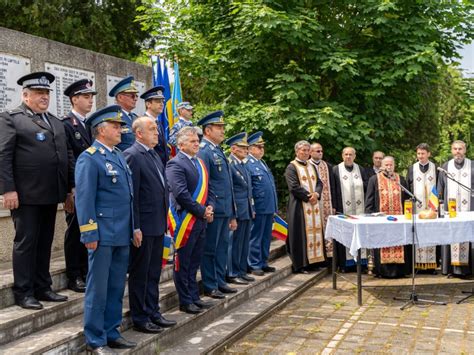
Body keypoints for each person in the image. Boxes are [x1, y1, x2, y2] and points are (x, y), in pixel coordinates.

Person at [0, 72, 73, 310]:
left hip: (52, 193)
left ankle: (43, 286)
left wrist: (70, 188)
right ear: (25, 95)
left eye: (46, 93)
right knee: (26, 242)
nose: (44, 97)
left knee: (45, 242)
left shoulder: (55, 121)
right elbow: (3, 156)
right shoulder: (11, 119)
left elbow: (66, 155)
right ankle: (24, 291)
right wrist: (8, 190)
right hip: (27, 195)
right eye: (39, 93)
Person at [75, 105, 136, 353]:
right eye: (115, 126)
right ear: (101, 130)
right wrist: (89, 232)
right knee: (98, 289)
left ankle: (112, 331)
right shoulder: (89, 158)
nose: (120, 130)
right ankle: (95, 339)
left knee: (115, 286)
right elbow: (85, 199)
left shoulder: (118, 155)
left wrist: (135, 228)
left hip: (121, 232)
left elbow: (128, 196)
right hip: (102, 234)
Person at [123, 116, 176, 333]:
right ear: (139, 133)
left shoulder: (153, 154)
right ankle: (140, 317)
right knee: (141, 274)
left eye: (156, 129)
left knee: (154, 272)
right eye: (152, 129)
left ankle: (153, 311)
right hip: (143, 227)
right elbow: (132, 195)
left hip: (157, 224)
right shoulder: (133, 155)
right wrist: (135, 226)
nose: (157, 132)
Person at [166, 126, 215, 313]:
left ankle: (195, 296)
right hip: (185, 220)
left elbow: (209, 190)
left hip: (201, 219)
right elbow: (181, 194)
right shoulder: (175, 164)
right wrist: (202, 210)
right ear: (181, 145)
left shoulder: (200, 163)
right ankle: (185, 300)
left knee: (195, 262)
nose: (197, 144)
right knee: (183, 263)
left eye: (197, 141)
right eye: (193, 141)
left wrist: (210, 208)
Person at [62, 78, 97, 293]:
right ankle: (74, 275)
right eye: (85, 96)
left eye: (91, 96)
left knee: (88, 228)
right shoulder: (67, 124)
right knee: (75, 231)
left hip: (91, 187)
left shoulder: (91, 124)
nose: (90, 100)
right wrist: (73, 188)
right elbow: (69, 158)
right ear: (74, 99)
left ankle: (85, 271)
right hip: (78, 188)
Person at [197, 110, 237, 298]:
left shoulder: (218, 150)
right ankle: (210, 284)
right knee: (210, 248)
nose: (222, 131)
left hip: (224, 208)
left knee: (221, 247)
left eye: (222, 127)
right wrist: (208, 207)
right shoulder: (204, 151)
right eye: (218, 128)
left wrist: (231, 211)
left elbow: (226, 183)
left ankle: (220, 280)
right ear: (207, 130)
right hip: (214, 208)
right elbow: (205, 182)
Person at [365, 156, 411, 278]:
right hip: (381, 219)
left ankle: (400, 271)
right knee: (382, 243)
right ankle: (382, 271)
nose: (389, 167)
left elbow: (407, 199)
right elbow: (369, 200)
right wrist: (370, 216)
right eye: (386, 165)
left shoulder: (400, 179)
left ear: (394, 166)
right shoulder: (374, 179)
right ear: (382, 166)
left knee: (399, 242)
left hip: (398, 219)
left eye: (391, 165)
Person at [285, 141, 325, 273]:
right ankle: (301, 265)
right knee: (301, 234)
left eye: (308, 150)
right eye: (303, 150)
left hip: (313, 206)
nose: (306, 152)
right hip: (299, 206)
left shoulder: (311, 165)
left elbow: (319, 182)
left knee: (315, 233)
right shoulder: (292, 167)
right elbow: (294, 187)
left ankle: (314, 262)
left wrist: (317, 193)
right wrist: (309, 197)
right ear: (297, 151)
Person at [438, 140, 474, 278]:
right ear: (451, 150)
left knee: (468, 237)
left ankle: (468, 270)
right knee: (451, 237)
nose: (457, 151)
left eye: (460, 149)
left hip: (468, 209)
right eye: (455, 149)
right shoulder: (445, 167)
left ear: (465, 150)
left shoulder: (472, 165)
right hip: (450, 209)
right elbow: (440, 188)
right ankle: (451, 269)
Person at [246, 132, 278, 276]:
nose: (261, 149)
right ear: (250, 148)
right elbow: (249, 189)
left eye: (262, 147)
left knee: (266, 236)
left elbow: (270, 186)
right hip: (258, 207)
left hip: (268, 206)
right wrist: (251, 207)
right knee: (256, 236)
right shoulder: (248, 163)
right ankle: (254, 264)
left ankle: (263, 262)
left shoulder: (262, 163)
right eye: (258, 147)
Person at [226, 132, 255, 285]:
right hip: (237, 210)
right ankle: (232, 272)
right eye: (243, 148)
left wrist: (252, 208)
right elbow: (230, 190)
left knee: (243, 243)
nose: (246, 151)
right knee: (234, 243)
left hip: (246, 209)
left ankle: (241, 270)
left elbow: (248, 190)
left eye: (246, 148)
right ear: (233, 149)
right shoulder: (230, 165)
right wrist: (233, 214)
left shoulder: (243, 165)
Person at [333, 147, 368, 272]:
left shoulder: (361, 169)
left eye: (350, 154)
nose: (348, 157)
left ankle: (361, 263)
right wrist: (335, 206)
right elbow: (334, 189)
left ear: (355, 156)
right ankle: (345, 265)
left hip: (360, 210)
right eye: (346, 154)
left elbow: (366, 187)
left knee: (359, 234)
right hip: (344, 209)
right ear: (342, 156)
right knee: (345, 235)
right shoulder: (336, 169)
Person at [406, 143, 438, 273]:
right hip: (417, 207)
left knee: (432, 233)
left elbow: (439, 187)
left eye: (423, 153)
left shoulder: (435, 168)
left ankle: (431, 265)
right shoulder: (412, 168)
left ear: (428, 154)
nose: (420, 156)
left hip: (431, 207)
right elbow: (408, 186)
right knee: (418, 234)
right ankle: (418, 264)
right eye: (418, 153)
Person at [310, 142, 336, 258]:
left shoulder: (328, 166)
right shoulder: (306, 165)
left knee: (327, 230)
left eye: (321, 151)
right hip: (311, 204)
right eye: (317, 151)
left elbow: (334, 186)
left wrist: (334, 204)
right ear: (311, 152)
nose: (320, 153)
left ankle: (328, 257)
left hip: (327, 204)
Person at [109, 75, 139, 151]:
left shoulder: (136, 118)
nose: (135, 99)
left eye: (136, 96)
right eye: (132, 96)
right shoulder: (113, 118)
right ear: (120, 97)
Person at [141, 86, 170, 165]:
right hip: (151, 166)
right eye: (158, 101)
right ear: (148, 104)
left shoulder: (158, 122)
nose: (161, 104)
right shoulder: (143, 123)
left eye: (162, 101)